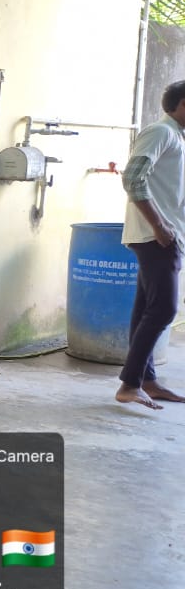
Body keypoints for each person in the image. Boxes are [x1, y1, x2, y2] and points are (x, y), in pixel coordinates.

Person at [117, 80, 185, 409]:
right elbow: (132, 178)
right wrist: (159, 225)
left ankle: (146, 380)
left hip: (162, 235)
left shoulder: (175, 136)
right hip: (156, 236)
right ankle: (130, 384)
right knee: (163, 309)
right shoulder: (162, 132)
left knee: (147, 308)